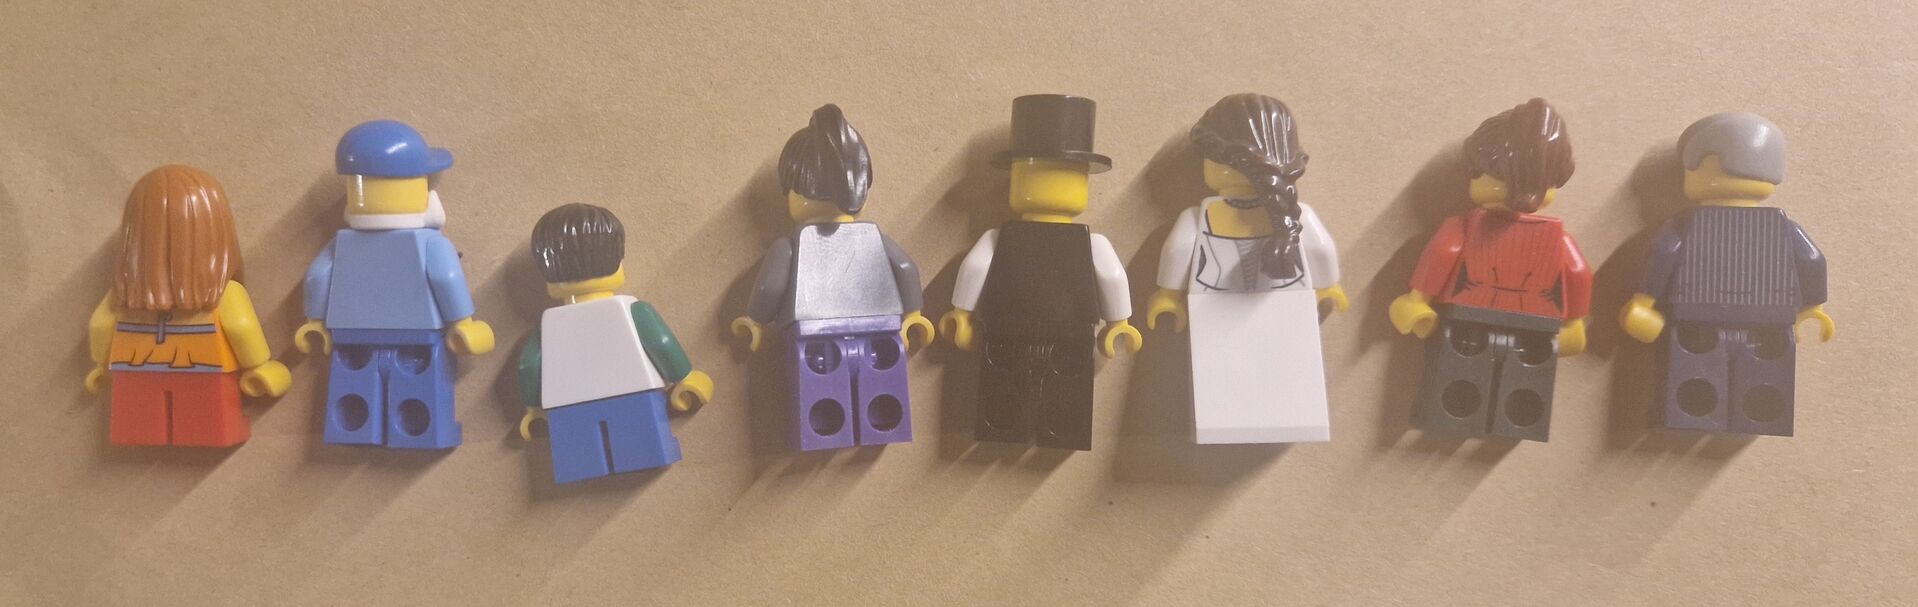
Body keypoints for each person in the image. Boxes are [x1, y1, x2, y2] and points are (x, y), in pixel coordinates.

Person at [1146, 93, 1349, 444]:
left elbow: (1178, 250)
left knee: (1271, 373)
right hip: (1242, 305)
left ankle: (1268, 421)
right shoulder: (1290, 215)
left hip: (1237, 304)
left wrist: (1167, 294)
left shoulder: (1207, 216)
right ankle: (1257, 422)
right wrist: (1328, 285)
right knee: (1245, 375)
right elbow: (1321, 249)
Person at [86, 165, 290, 447]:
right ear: (216, 230)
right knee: (204, 422)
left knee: (139, 422)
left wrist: (100, 364)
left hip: (134, 365)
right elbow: (239, 326)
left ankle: (143, 436)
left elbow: (99, 324)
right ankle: (202, 436)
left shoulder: (123, 294)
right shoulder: (224, 293)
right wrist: (260, 365)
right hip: (204, 365)